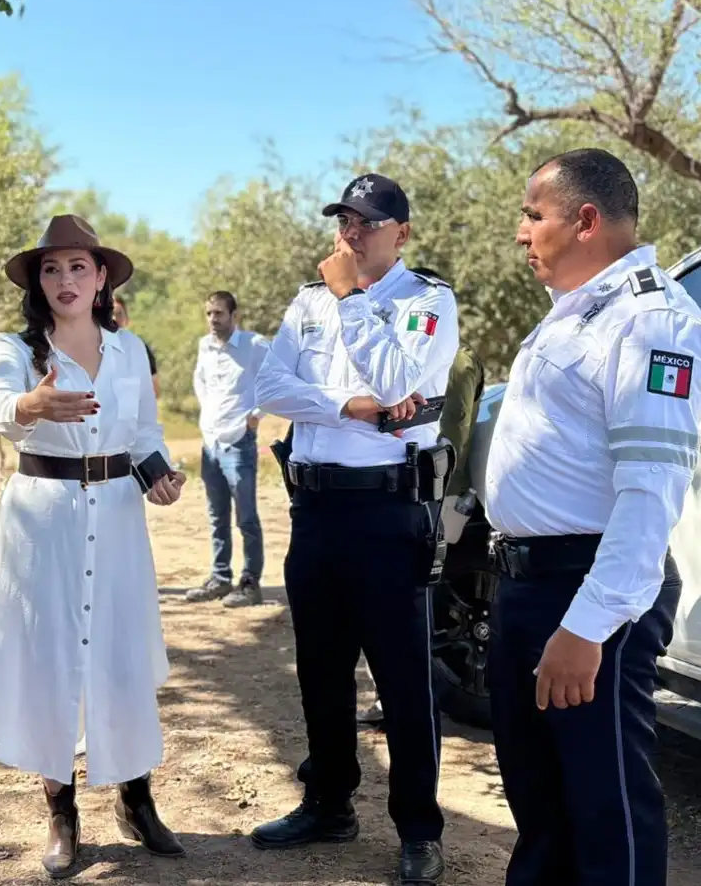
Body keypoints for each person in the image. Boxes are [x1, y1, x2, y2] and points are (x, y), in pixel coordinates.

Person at [484, 148, 701, 886]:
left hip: (585, 594)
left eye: (533, 215)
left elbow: (649, 495)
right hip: (529, 586)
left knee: (603, 814)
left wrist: (586, 629)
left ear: (585, 219)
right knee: (542, 808)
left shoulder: (652, 323)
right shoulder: (576, 314)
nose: (522, 233)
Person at [250, 173, 459, 884]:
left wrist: (353, 300)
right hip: (315, 508)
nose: (351, 232)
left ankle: (420, 829)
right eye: (344, 218)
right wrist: (344, 407)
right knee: (321, 669)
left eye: (367, 222)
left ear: (402, 233)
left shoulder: (428, 302)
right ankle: (330, 803)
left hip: (387, 510)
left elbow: (401, 385)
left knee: (403, 679)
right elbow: (269, 388)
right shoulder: (306, 303)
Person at [0, 214, 187, 879]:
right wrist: (33, 407)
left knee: (121, 656)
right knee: (51, 660)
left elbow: (144, 432)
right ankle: (61, 812)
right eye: (51, 268)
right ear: (39, 282)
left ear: (100, 277)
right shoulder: (16, 345)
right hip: (43, 521)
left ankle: (136, 798)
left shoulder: (130, 350)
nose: (64, 280)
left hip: (119, 517)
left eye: (77, 267)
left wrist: (159, 474)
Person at [357, 267, 485, 729]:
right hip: (438, 489)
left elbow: (453, 428)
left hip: (431, 491)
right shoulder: (460, 357)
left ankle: (405, 700)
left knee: (412, 599)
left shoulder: (453, 362)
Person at [185, 290, 270, 608]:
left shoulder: (254, 345)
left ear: (235, 316)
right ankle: (220, 578)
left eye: (219, 313)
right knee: (216, 515)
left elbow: (275, 379)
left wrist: (256, 416)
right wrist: (207, 418)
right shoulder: (204, 346)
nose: (213, 320)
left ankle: (250, 582)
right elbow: (200, 382)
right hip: (211, 442)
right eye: (209, 313)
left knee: (246, 516)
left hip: (239, 441)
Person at [112, 295, 160, 397]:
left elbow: (154, 389)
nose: (114, 318)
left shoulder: (140, 348)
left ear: (126, 318)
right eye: (110, 314)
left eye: (119, 314)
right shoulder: (93, 349)